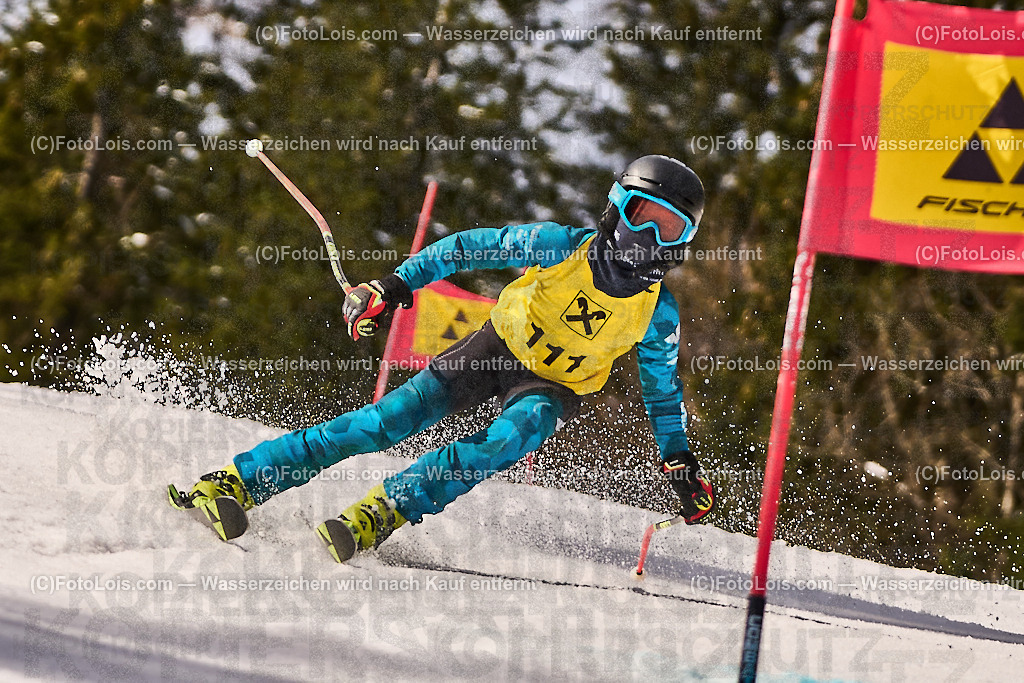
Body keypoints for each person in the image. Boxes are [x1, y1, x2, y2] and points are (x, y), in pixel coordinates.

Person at [174, 154, 716, 562]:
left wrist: (678, 459)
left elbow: (662, 391)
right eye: (642, 215)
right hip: (494, 348)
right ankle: (237, 482)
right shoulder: (559, 245)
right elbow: (466, 247)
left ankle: (386, 509)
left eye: (669, 228)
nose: (648, 236)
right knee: (387, 421)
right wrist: (393, 286)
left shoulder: (656, 314)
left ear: (683, 241)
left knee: (505, 441)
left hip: (553, 388)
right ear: (616, 207)